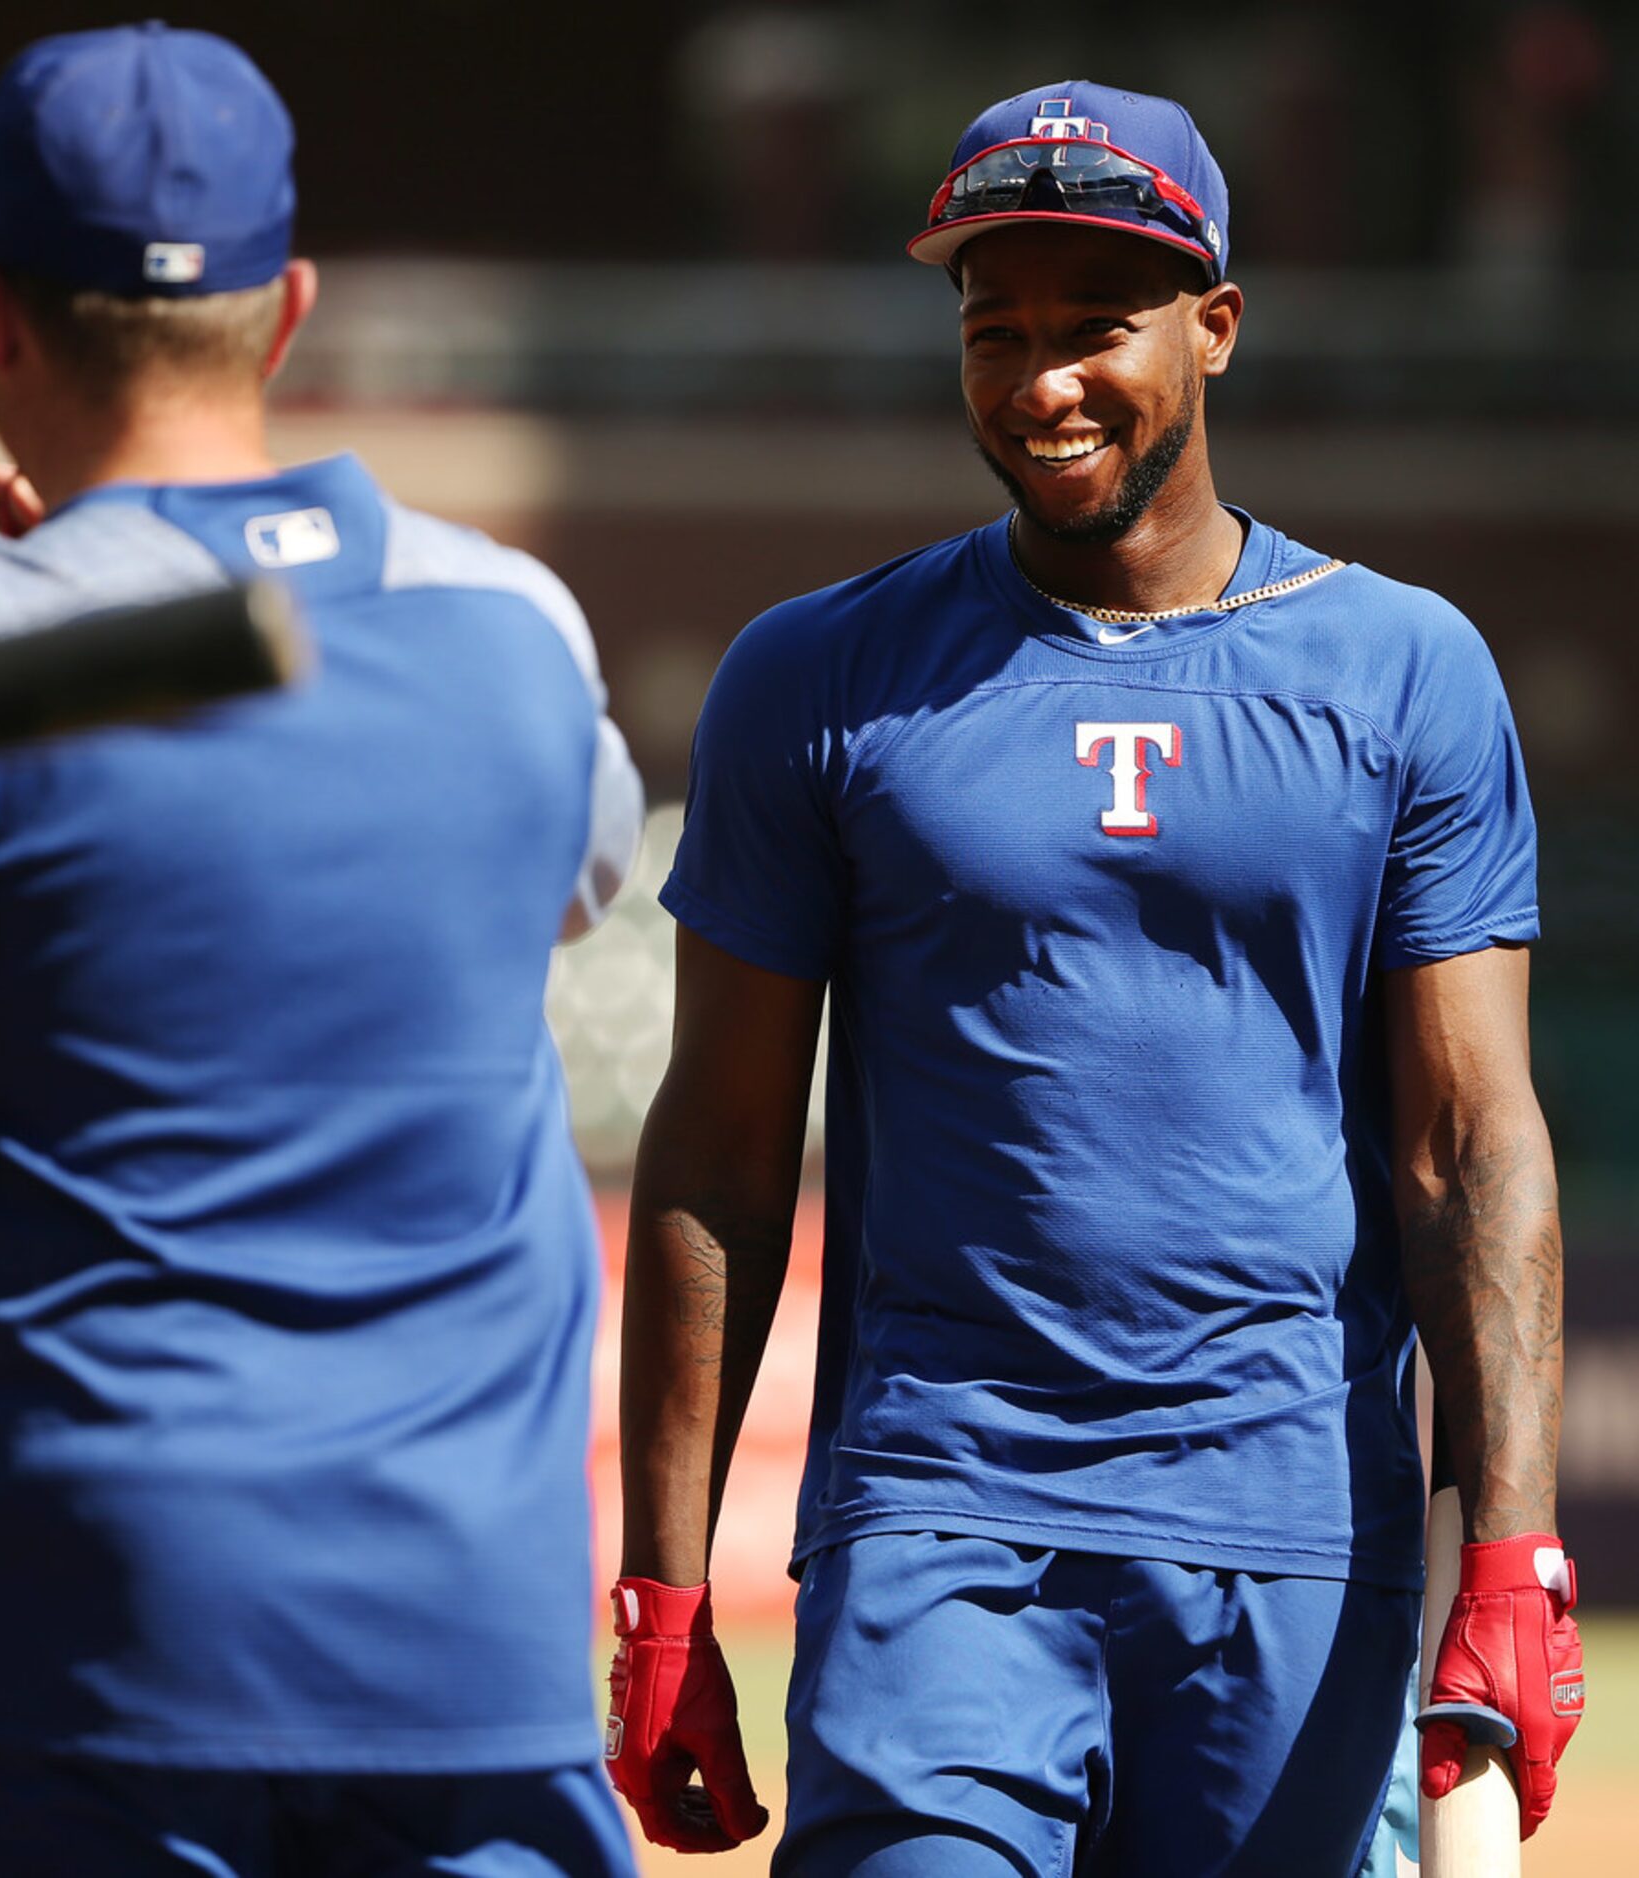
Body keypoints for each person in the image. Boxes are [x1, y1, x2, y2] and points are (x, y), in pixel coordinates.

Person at [605, 80, 1583, 1876]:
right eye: (996, 333)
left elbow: (1469, 1148)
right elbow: (719, 1163)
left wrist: (1511, 1548)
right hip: (936, 1525)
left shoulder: (1403, 671)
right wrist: (666, 1595)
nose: (1039, 382)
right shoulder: (814, 678)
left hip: (1293, 1533)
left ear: (1212, 326)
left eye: (1093, 330)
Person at [0, 23, 642, 1876]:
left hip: (102, 1623)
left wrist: (41, 611)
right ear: (288, 306)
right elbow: (556, 880)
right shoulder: (516, 624)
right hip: (466, 1624)